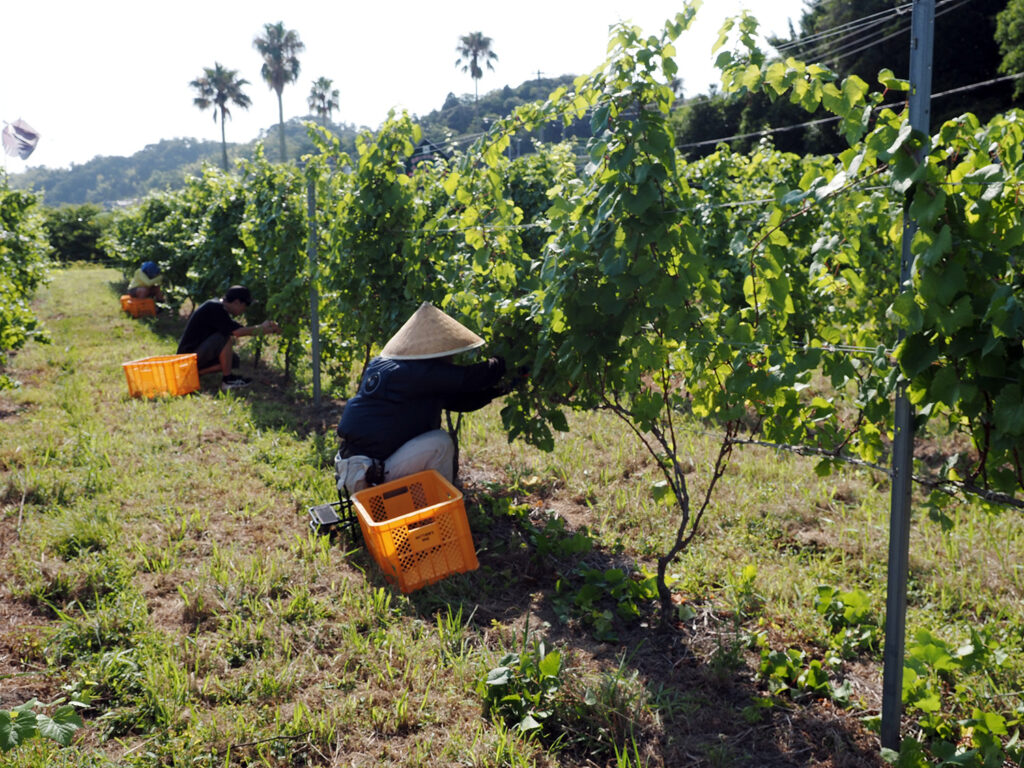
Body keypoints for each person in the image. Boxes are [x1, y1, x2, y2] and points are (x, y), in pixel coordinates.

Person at [336, 301, 510, 493]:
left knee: (434, 441)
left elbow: (460, 402)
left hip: (356, 466)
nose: (451, 359)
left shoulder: (392, 367)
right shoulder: (411, 373)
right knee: (440, 443)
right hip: (367, 474)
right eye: (447, 352)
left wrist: (499, 389)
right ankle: (438, 508)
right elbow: (470, 378)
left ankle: (422, 503)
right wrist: (504, 360)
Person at [176, 285, 280, 392]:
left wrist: (264, 328)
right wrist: (264, 329)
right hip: (186, 358)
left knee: (232, 361)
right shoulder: (214, 307)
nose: (245, 309)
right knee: (224, 337)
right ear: (236, 302)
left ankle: (194, 374)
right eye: (245, 305)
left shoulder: (219, 308)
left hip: (192, 356)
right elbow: (237, 332)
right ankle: (227, 380)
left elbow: (240, 329)